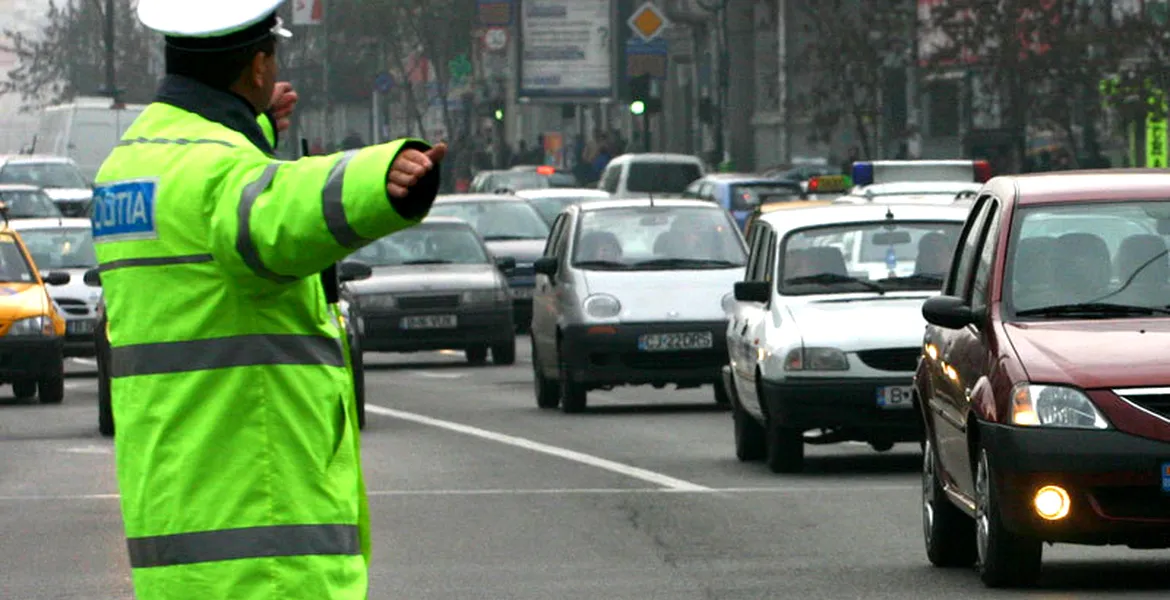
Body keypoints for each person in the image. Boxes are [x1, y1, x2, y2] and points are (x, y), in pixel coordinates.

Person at [90, 1, 446, 599]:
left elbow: (218, 201)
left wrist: (250, 129)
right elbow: (275, 211)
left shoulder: (129, 165)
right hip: (264, 548)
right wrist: (380, 176)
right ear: (257, 68)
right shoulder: (218, 178)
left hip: (179, 530)